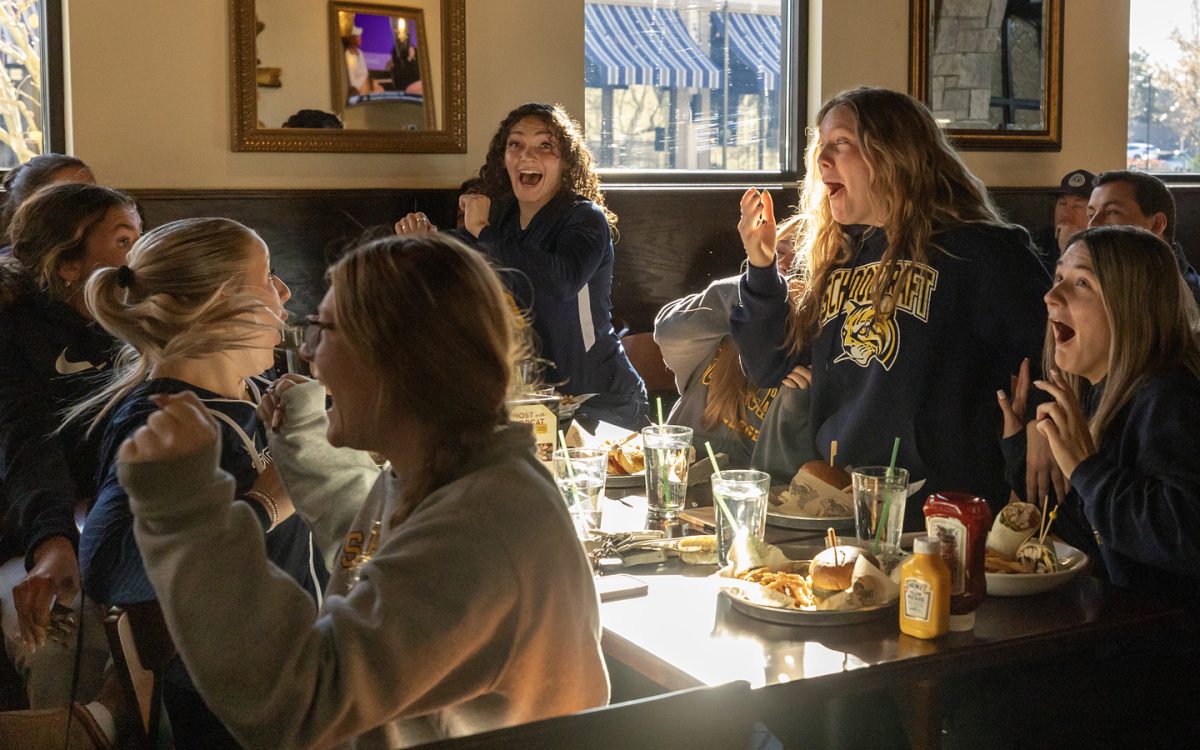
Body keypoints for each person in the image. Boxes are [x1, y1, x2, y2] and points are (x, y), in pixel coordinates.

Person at [111, 234, 608, 748]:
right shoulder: (436, 475)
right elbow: (373, 553)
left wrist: (186, 507)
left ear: (396, 356)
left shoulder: (483, 525)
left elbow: (303, 705)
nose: (306, 353)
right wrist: (307, 442)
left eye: (322, 331)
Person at [730, 87, 1050, 528]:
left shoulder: (981, 249)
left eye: (841, 144)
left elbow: (1048, 354)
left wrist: (1038, 424)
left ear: (895, 153)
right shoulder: (838, 253)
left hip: (944, 511)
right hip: (840, 502)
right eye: (821, 148)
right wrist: (762, 266)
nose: (823, 161)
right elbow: (767, 366)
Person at [70, 218, 328, 748]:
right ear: (214, 303)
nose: (284, 291)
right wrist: (263, 505)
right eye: (268, 276)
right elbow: (108, 565)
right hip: (243, 713)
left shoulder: (249, 393)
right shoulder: (166, 423)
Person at [397, 104, 647, 430]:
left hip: (600, 401)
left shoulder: (585, 218)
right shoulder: (502, 215)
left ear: (566, 161)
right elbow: (462, 266)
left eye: (545, 146)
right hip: (532, 401)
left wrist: (484, 232)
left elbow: (562, 282)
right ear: (505, 158)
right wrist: (425, 242)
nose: (527, 155)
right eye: (516, 144)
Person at [0, 184, 140, 741]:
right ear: (66, 265)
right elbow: (27, 444)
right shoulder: (14, 334)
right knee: (62, 637)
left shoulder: (134, 325)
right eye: (125, 240)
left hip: (124, 528)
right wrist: (52, 539)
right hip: (34, 531)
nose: (140, 255)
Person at [997, 225, 1200, 607]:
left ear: (1131, 304)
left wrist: (1086, 468)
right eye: (1058, 277)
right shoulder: (1097, 394)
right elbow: (1093, 531)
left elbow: (1186, 536)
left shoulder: (1169, 397)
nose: (1051, 295)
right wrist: (1021, 455)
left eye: (1082, 283)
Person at [653, 217, 805, 470]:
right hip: (674, 479)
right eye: (778, 253)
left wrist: (796, 410)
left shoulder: (812, 355)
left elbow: (785, 471)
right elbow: (667, 330)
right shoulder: (720, 329)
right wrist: (755, 294)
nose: (786, 266)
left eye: (802, 263)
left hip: (743, 497)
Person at [1085, 169, 1200, 305]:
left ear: (1157, 224)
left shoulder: (1190, 299)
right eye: (1091, 214)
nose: (1092, 225)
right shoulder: (1099, 280)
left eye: (1112, 212)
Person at [0, 154, 97, 250]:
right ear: (33, 208)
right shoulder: (15, 261)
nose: (90, 204)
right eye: (71, 196)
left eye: (93, 193)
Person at [1030, 168, 1095, 275]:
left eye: (1077, 206)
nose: (1066, 213)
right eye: (1062, 203)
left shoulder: (1104, 247)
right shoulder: (1036, 243)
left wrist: (1069, 248)